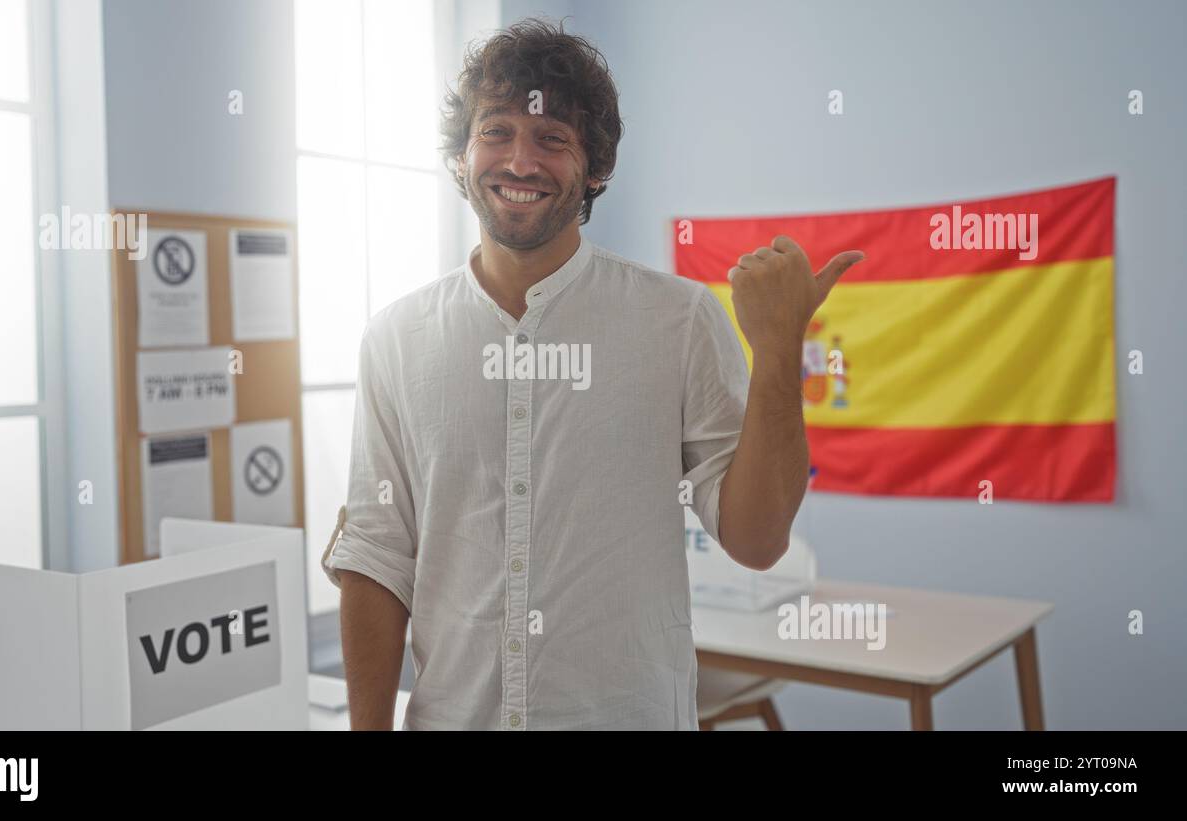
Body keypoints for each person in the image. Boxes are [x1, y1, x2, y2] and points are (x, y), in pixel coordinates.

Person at [322, 18, 865, 730]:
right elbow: (376, 554)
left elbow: (756, 540)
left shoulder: (678, 320)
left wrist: (777, 349)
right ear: (460, 155)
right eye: (496, 131)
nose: (520, 160)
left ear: (596, 169)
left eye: (552, 139)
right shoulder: (396, 338)